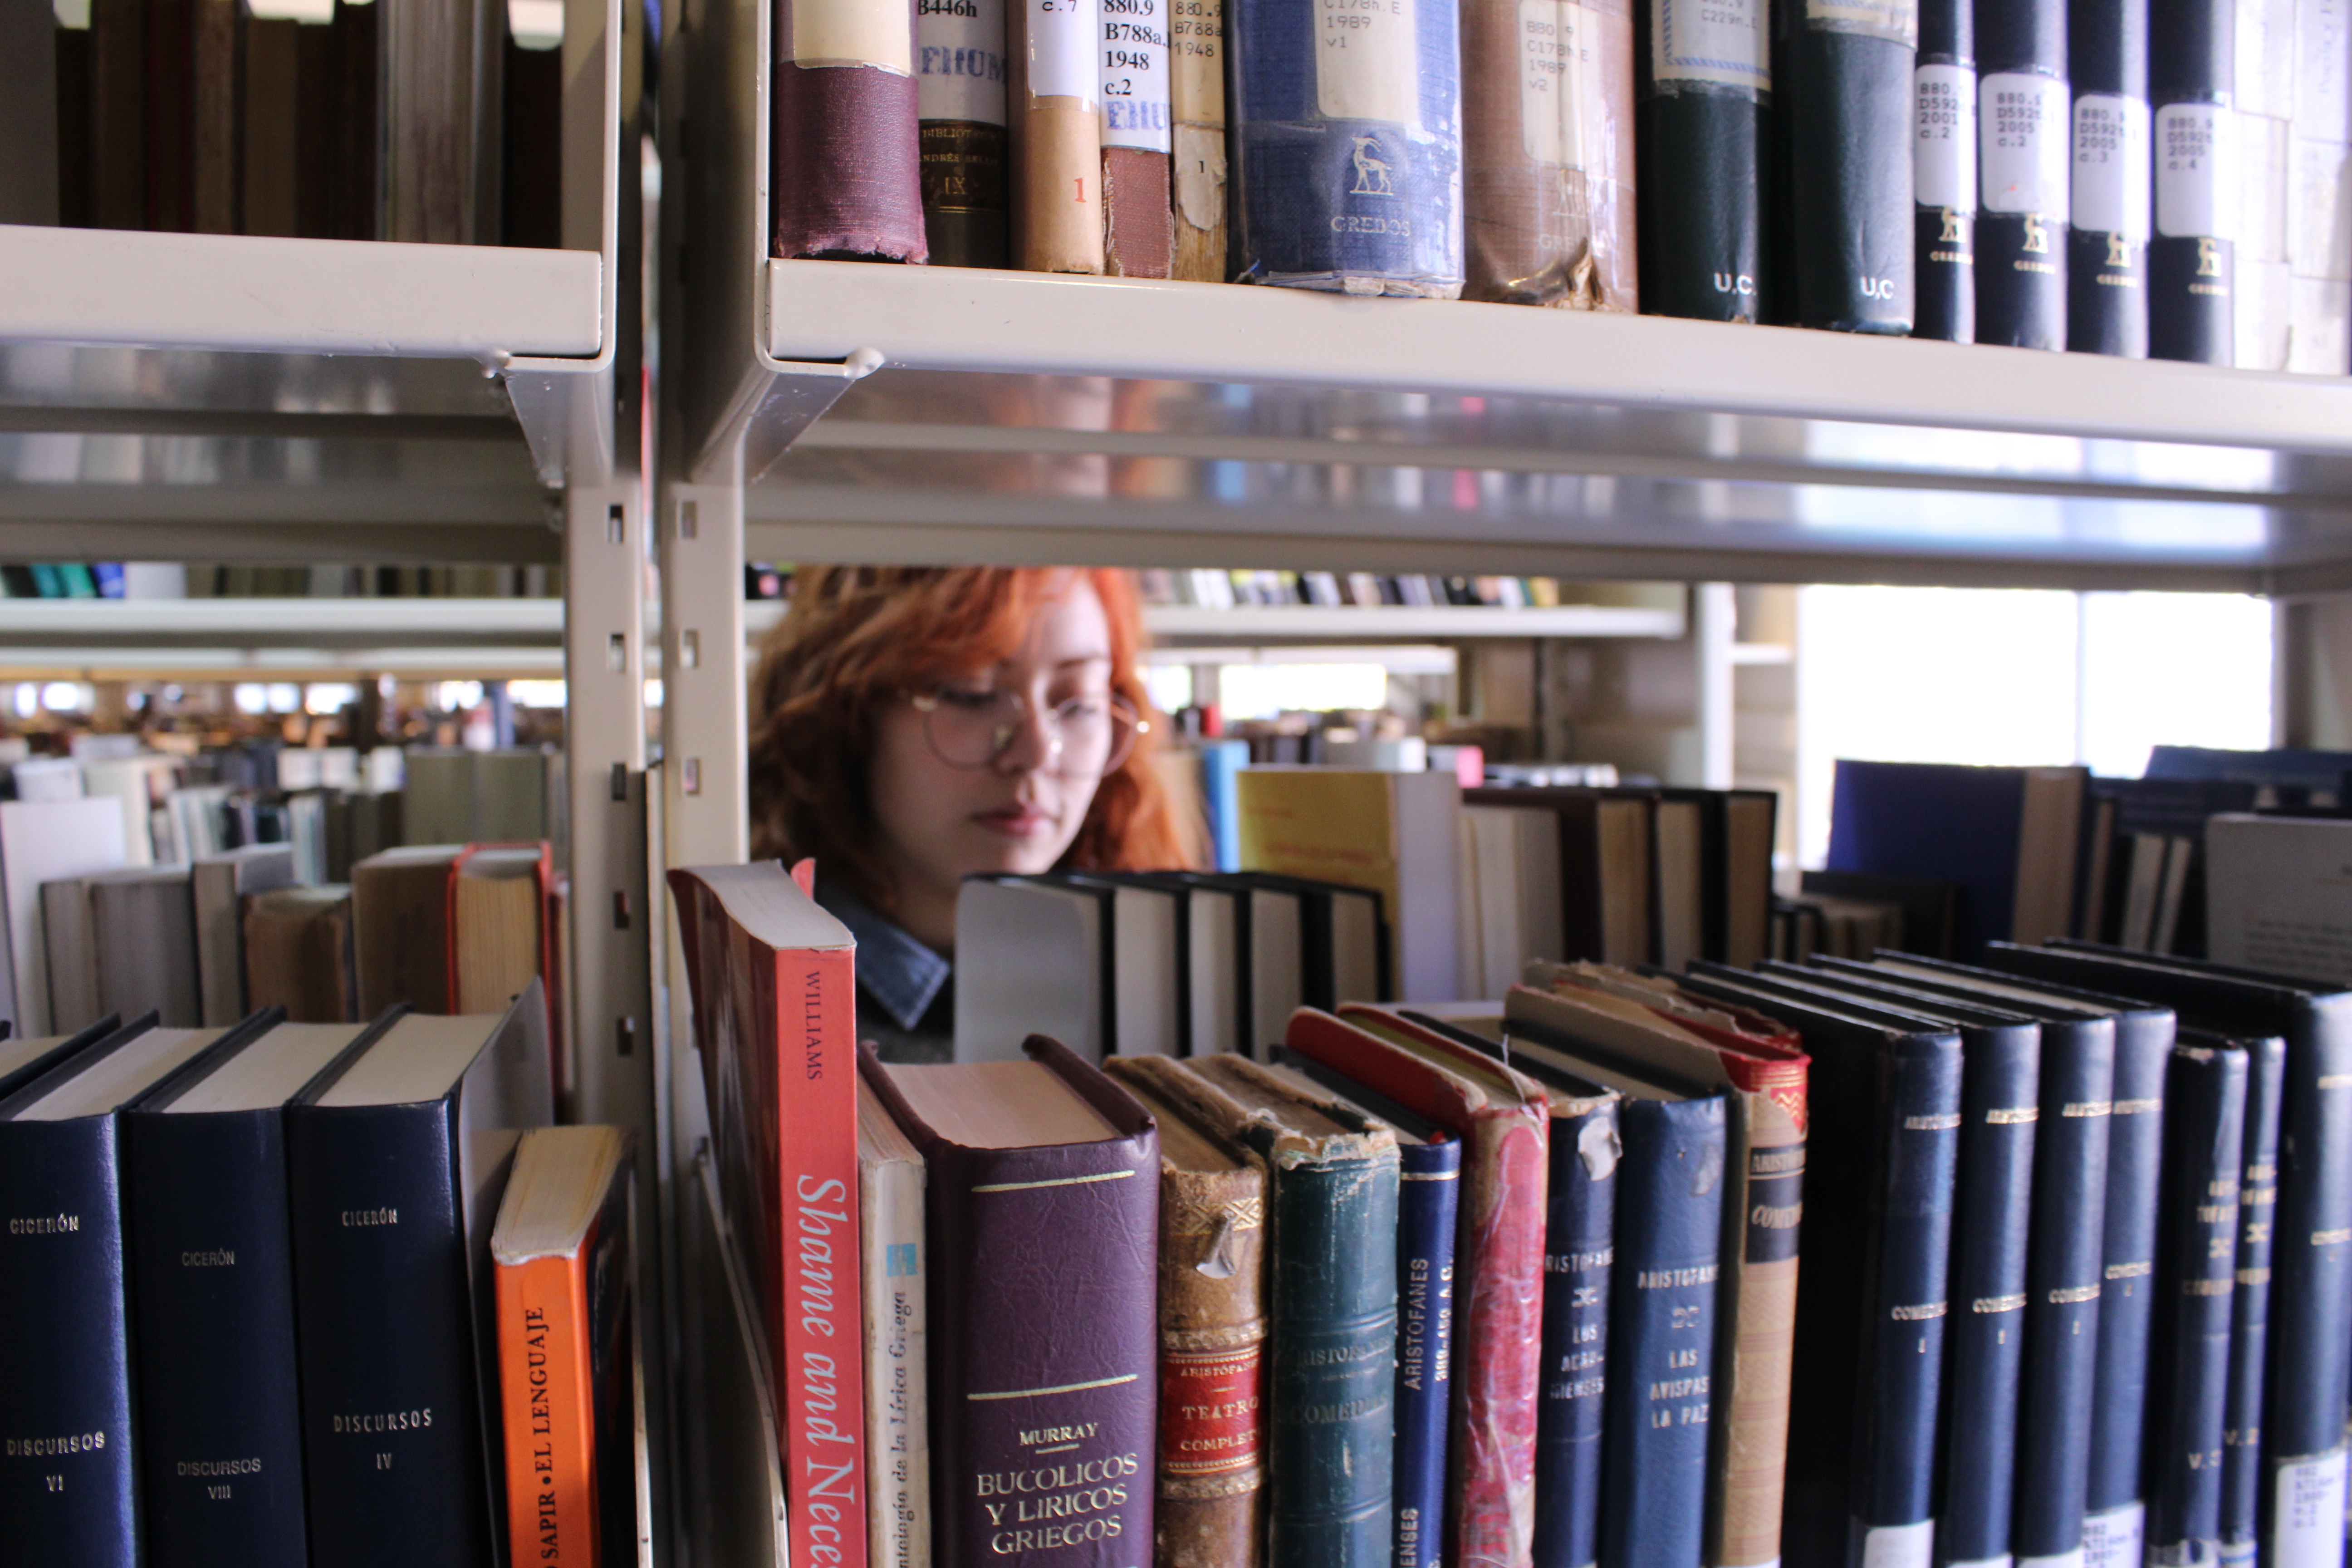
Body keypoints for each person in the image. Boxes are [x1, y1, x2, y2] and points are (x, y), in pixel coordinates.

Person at [748, 565, 1196, 1059]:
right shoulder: (760, 1005)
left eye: (1080, 702)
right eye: (972, 694)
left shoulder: (1160, 991)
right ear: (849, 715)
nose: (1036, 754)